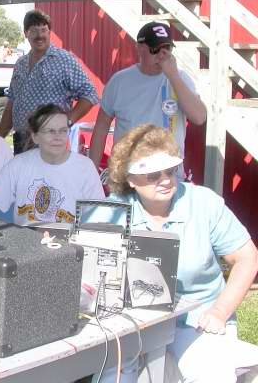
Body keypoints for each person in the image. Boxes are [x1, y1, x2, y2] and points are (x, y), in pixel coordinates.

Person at [98, 125, 258, 383]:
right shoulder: (112, 210)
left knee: (211, 375)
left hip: (196, 319)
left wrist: (219, 312)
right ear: (129, 180)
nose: (164, 180)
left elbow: (247, 258)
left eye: (170, 171)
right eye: (152, 175)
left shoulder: (203, 203)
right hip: (133, 322)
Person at [89, 21, 207, 172]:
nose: (162, 55)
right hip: (127, 172)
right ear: (139, 48)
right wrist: (91, 171)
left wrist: (173, 77)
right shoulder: (120, 81)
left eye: (167, 48)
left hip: (168, 173)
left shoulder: (180, 79)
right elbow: (102, 125)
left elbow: (199, 117)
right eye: (155, 49)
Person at [0, 104, 104, 225]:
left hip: (70, 246)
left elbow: (98, 218)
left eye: (63, 130)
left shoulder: (85, 167)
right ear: (35, 136)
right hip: (24, 244)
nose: (58, 137)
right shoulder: (19, 164)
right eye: (50, 131)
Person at [0, 10, 98, 155]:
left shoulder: (64, 60)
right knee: (22, 177)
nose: (40, 35)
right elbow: (12, 103)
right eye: (34, 30)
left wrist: (66, 122)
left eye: (44, 29)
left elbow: (90, 94)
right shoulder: (20, 63)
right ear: (26, 33)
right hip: (21, 139)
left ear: (49, 32)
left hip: (50, 139)